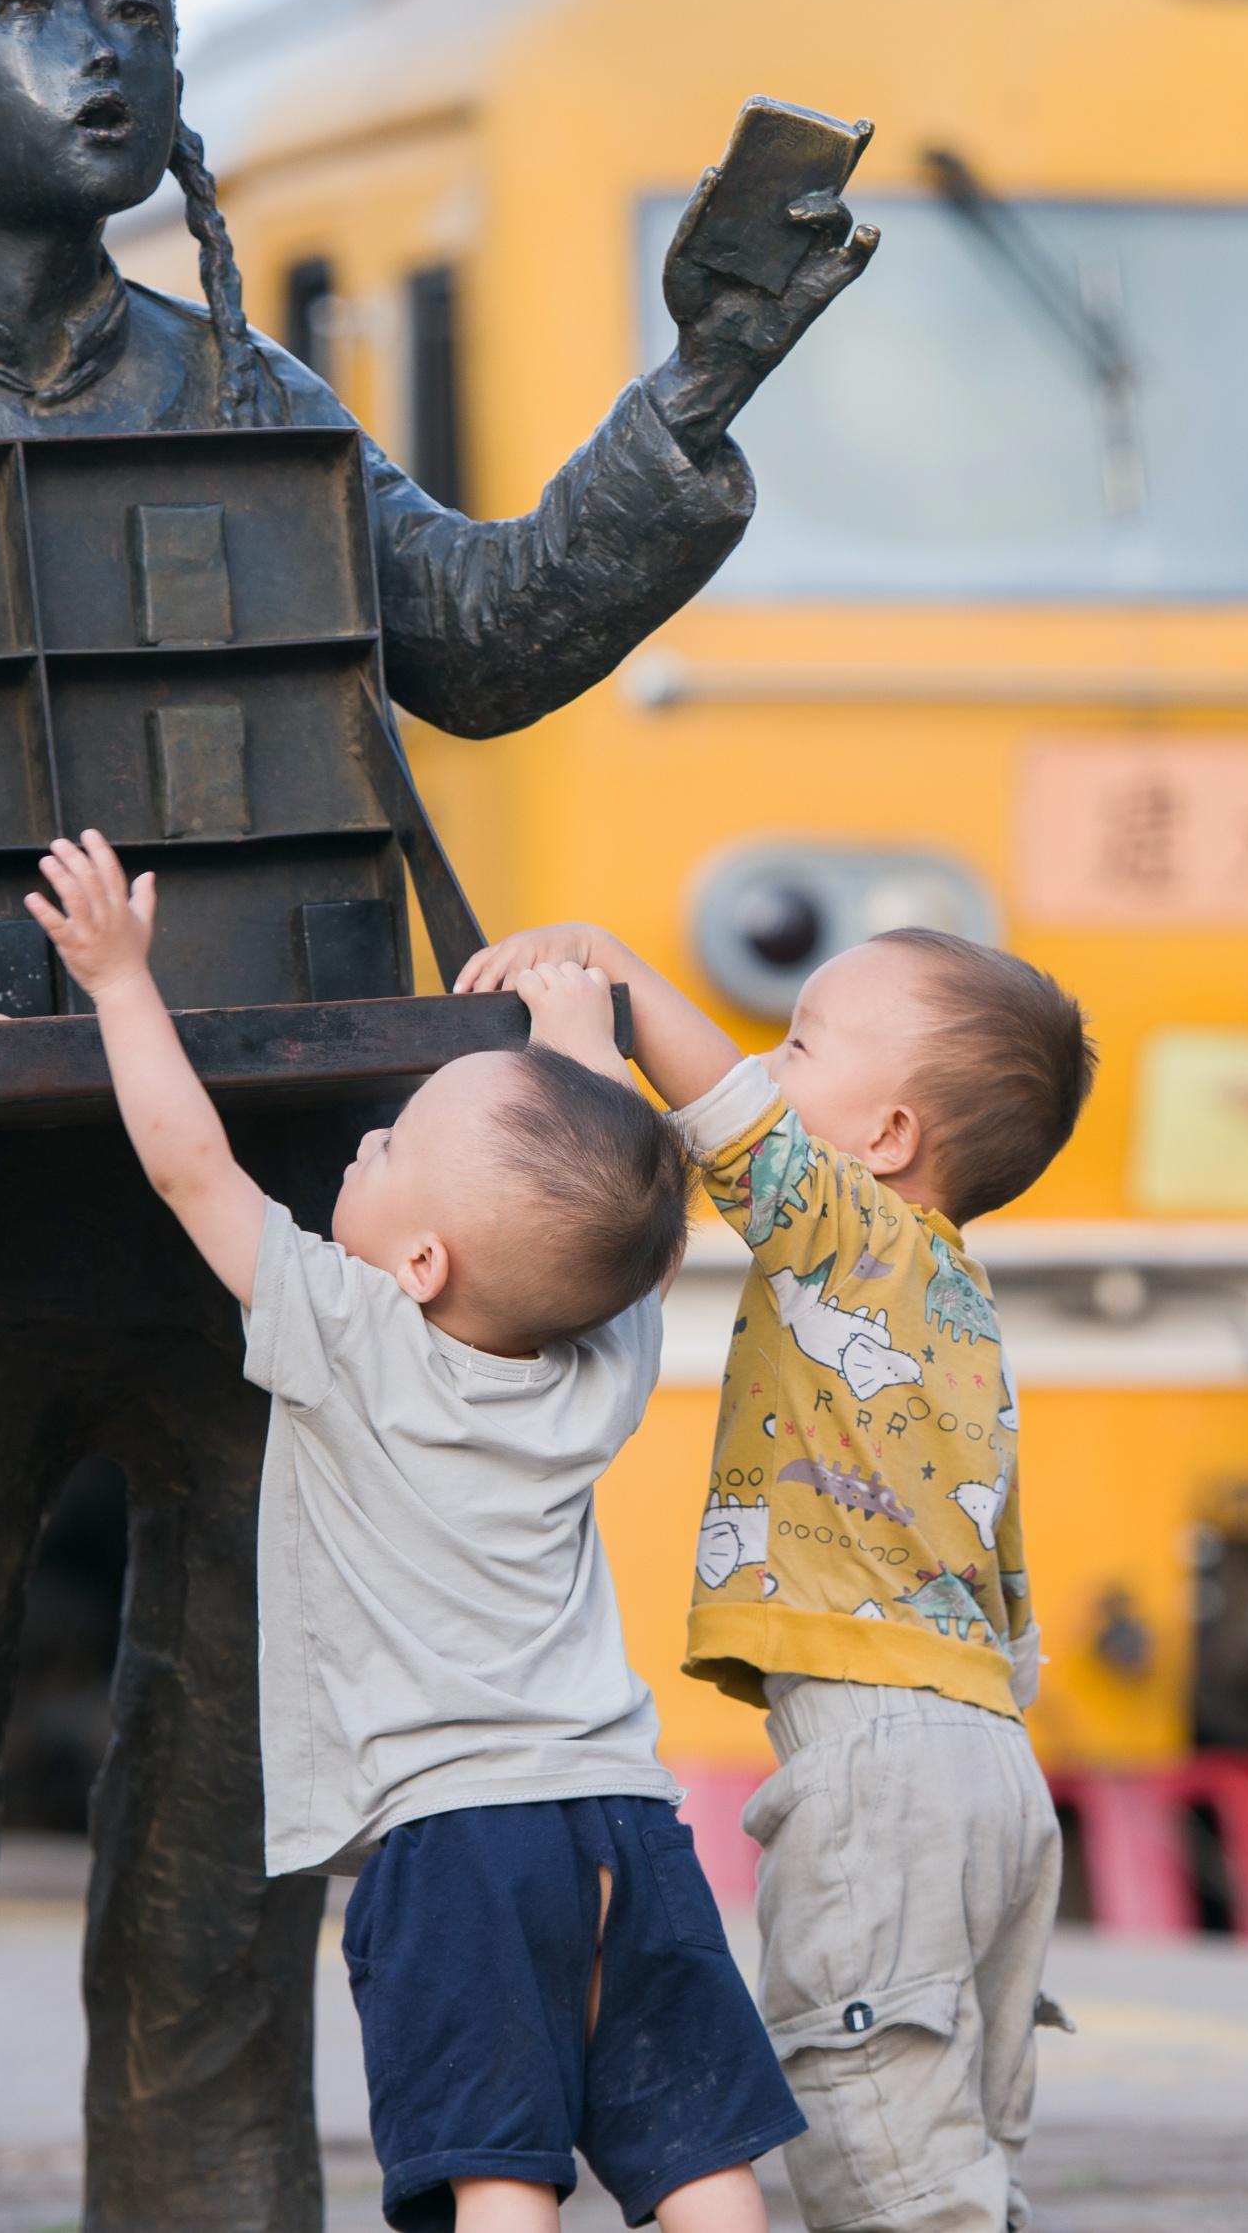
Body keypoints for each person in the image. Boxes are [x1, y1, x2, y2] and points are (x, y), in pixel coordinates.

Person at [0, 0, 867, 2233]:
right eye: (44, 6)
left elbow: (494, 630)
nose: (114, 40)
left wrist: (697, 392)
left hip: (269, 1238)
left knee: (237, 1829)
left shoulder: (248, 396)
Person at [22, 832, 802, 2233]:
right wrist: (577, 1039)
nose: (361, 1146)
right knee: (691, 2147)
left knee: (493, 2161)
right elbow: (625, 1219)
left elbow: (192, 1168)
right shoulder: (597, 1359)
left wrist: (117, 980)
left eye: (383, 1146)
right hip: (621, 1813)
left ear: (422, 1263)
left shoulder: (350, 1336)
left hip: (454, 1843)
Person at [456, 917, 1095, 2233]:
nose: (762, 1057)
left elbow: (726, 1118)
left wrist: (615, 980)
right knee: (954, 2152)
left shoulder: (851, 1239)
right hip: (988, 1761)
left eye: (799, 1043)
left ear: (888, 1138)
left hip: (882, 1763)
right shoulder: (954, 1313)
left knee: (880, 2154)